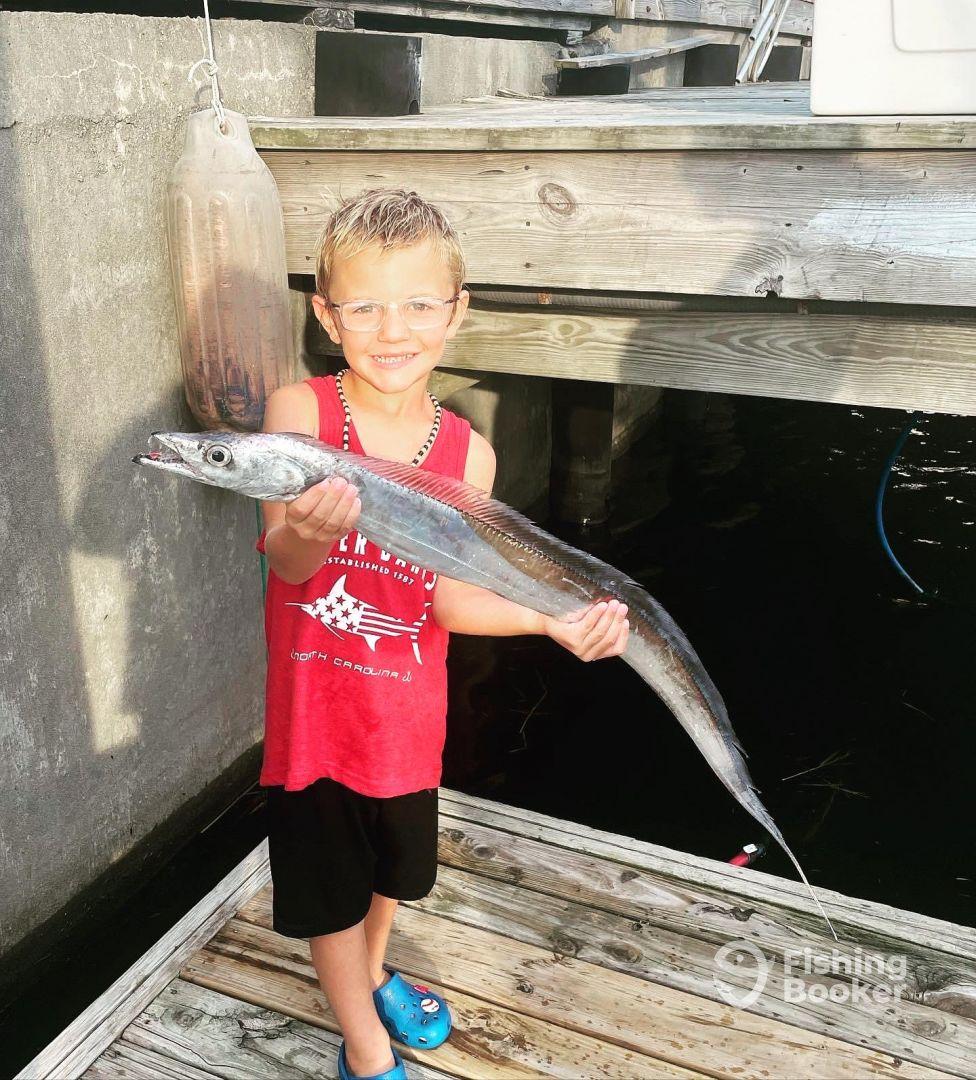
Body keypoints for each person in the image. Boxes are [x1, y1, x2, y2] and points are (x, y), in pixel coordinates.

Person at [257, 187, 629, 1080]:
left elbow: (450, 602)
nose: (394, 330)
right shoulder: (301, 418)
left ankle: (378, 971)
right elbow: (285, 562)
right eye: (366, 306)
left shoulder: (470, 451)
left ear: (457, 313)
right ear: (325, 314)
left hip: (406, 726)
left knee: (392, 877)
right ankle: (365, 1047)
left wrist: (549, 620)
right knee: (330, 901)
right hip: (315, 727)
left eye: (421, 303)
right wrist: (311, 527)